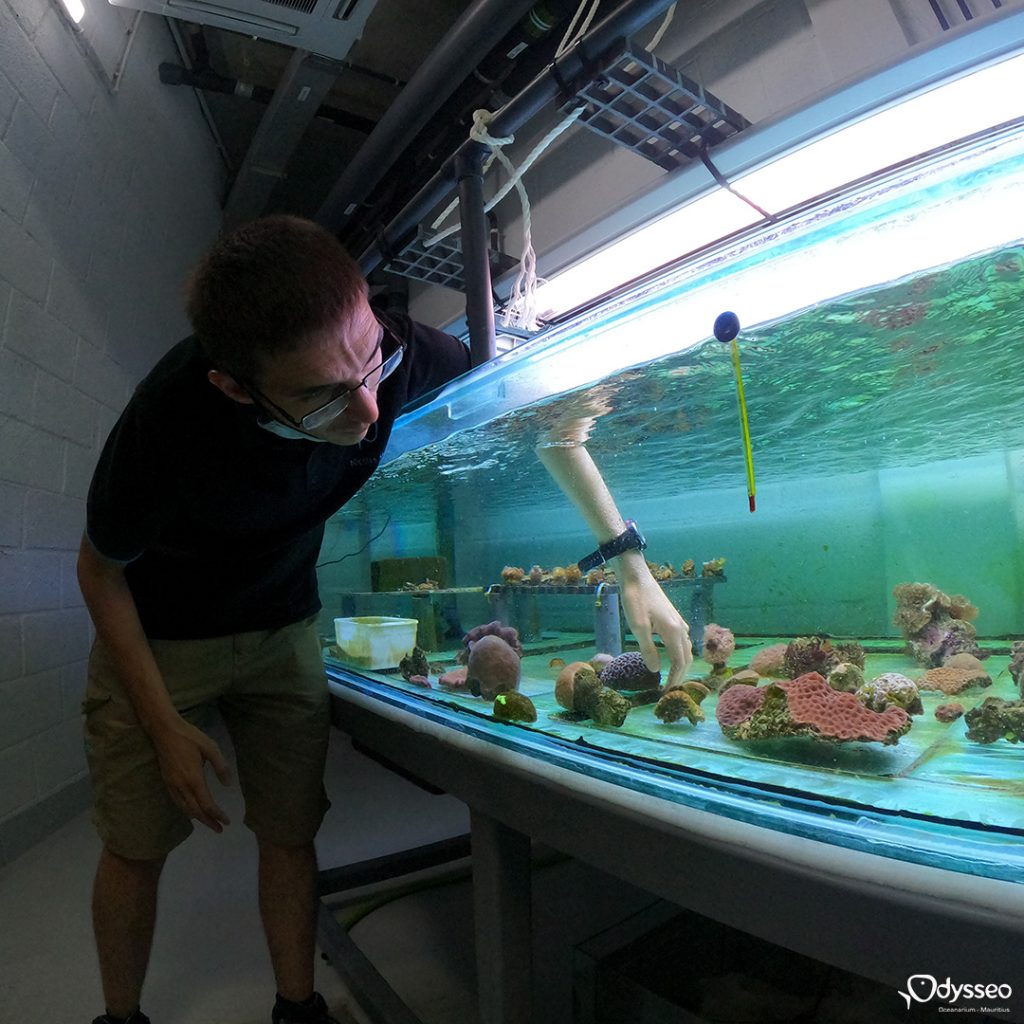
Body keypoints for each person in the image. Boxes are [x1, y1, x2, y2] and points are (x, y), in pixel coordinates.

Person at [78, 215, 690, 1024]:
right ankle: (118, 1017)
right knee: (136, 842)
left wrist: (629, 560)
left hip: (283, 625)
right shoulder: (166, 426)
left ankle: (298, 1007)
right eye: (322, 395)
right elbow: (99, 571)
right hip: (158, 637)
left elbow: (542, 414)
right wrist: (160, 725)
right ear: (234, 386)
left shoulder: (395, 353)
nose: (369, 410)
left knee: (290, 829)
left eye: (372, 362)